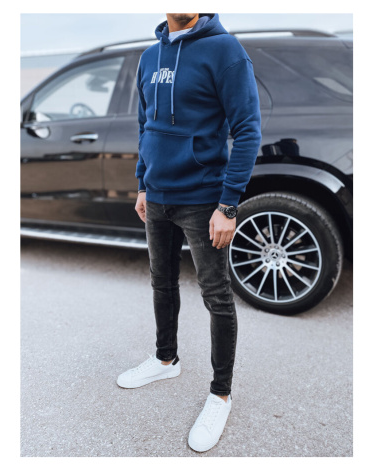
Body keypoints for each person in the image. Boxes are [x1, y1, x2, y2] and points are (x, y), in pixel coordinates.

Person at [117, 12, 261, 453]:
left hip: (202, 199)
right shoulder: (149, 56)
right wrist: (143, 184)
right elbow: (145, 125)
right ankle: (165, 359)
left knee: (216, 295)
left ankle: (220, 394)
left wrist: (228, 205)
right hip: (157, 196)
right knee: (161, 282)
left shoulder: (225, 50)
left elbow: (248, 129)